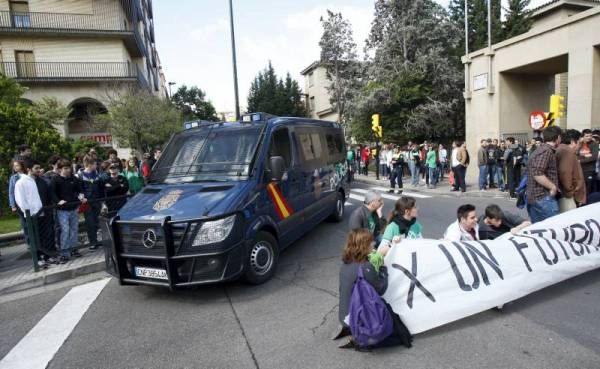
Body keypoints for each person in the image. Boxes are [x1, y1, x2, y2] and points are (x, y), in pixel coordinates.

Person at [337, 229, 412, 350]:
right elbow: (381, 289)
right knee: (390, 314)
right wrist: (383, 268)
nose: (373, 243)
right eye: (371, 242)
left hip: (344, 316)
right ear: (363, 246)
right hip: (358, 320)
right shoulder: (366, 267)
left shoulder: (345, 263)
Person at [14, 161, 48, 268]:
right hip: (31, 215)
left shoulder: (33, 181)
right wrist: (27, 212)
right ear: (28, 169)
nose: (38, 170)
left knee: (40, 236)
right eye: (35, 168)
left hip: (39, 213)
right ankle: (37, 259)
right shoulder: (21, 183)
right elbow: (20, 200)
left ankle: (42, 256)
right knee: (33, 237)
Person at [526, 126, 561, 223]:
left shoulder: (540, 149)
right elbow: (537, 172)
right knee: (553, 228)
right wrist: (552, 187)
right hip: (542, 198)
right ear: (557, 137)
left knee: (539, 230)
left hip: (536, 197)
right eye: (560, 137)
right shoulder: (546, 151)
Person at [54, 160, 86, 263]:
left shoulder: (74, 179)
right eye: (65, 168)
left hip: (74, 208)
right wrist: (58, 201)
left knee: (74, 230)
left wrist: (81, 196)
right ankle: (64, 254)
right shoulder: (55, 180)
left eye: (69, 168)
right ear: (60, 169)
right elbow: (52, 193)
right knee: (65, 231)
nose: (68, 170)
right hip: (62, 210)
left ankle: (74, 250)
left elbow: (80, 189)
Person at [77, 155, 104, 252]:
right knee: (90, 223)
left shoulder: (96, 175)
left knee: (96, 222)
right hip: (87, 203)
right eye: (95, 164)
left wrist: (102, 200)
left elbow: (101, 188)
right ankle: (92, 243)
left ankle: (95, 241)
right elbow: (79, 189)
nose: (96, 166)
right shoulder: (80, 175)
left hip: (97, 202)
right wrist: (81, 198)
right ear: (89, 164)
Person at [556, 129, 586, 212]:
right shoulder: (567, 151)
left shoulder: (562, 149)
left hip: (565, 195)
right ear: (573, 141)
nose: (579, 146)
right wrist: (570, 191)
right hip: (567, 197)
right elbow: (564, 173)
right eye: (579, 143)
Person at [577, 129, 599, 196]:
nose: (589, 137)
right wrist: (579, 144)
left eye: (590, 136)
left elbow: (594, 157)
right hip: (580, 170)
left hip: (589, 170)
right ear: (582, 137)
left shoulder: (594, 144)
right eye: (586, 136)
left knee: (588, 189)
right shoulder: (579, 144)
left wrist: (581, 161)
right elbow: (576, 154)